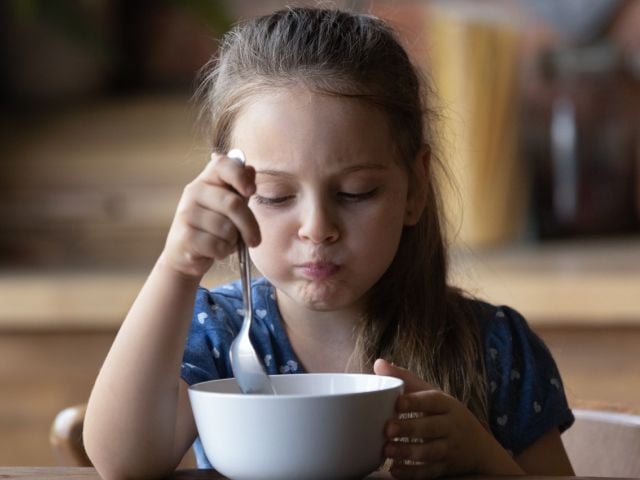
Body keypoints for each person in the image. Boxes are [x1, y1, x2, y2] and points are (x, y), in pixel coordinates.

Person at [84, 6, 575, 479]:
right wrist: (177, 266)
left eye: (355, 192)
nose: (317, 228)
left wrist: (483, 458)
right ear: (227, 189)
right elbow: (124, 461)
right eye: (275, 196)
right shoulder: (221, 335)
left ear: (415, 187)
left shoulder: (493, 349)